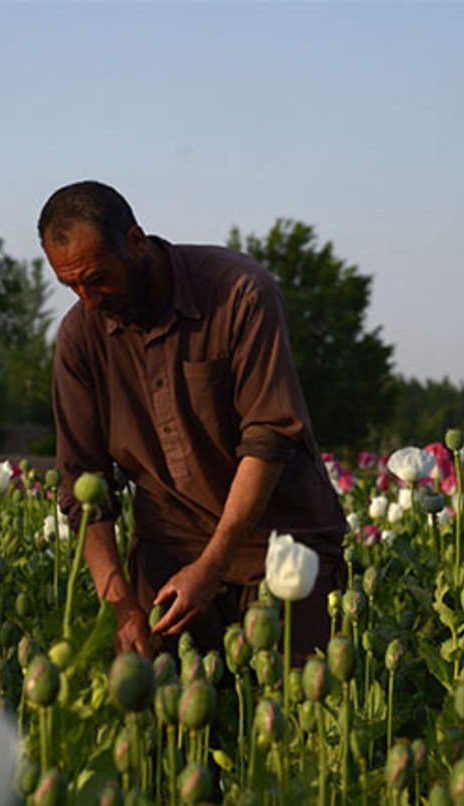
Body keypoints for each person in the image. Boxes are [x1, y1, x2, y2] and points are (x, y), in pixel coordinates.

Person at [40, 181, 347, 662]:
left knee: (296, 719)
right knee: (161, 725)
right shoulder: (81, 337)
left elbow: (268, 439)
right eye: (71, 286)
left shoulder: (240, 293)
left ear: (135, 242)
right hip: (168, 553)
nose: (88, 298)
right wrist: (120, 606)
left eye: (97, 278)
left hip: (280, 546)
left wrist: (212, 564)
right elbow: (84, 488)